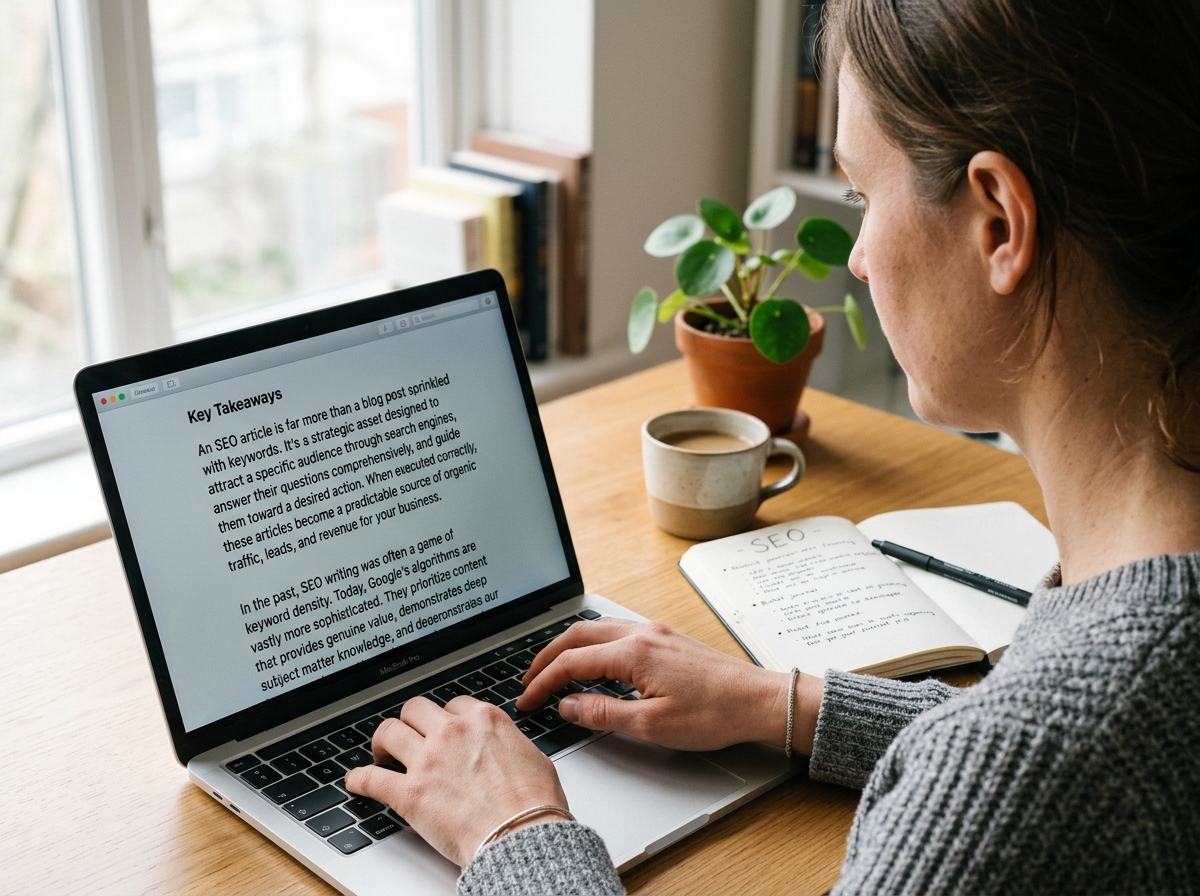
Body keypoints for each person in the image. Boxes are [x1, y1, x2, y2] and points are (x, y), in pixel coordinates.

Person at [345, 0, 1200, 891]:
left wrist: (512, 832)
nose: (859, 258)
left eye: (865, 195)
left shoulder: (1025, 772)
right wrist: (783, 703)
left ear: (999, 225)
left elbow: (1025, 771)